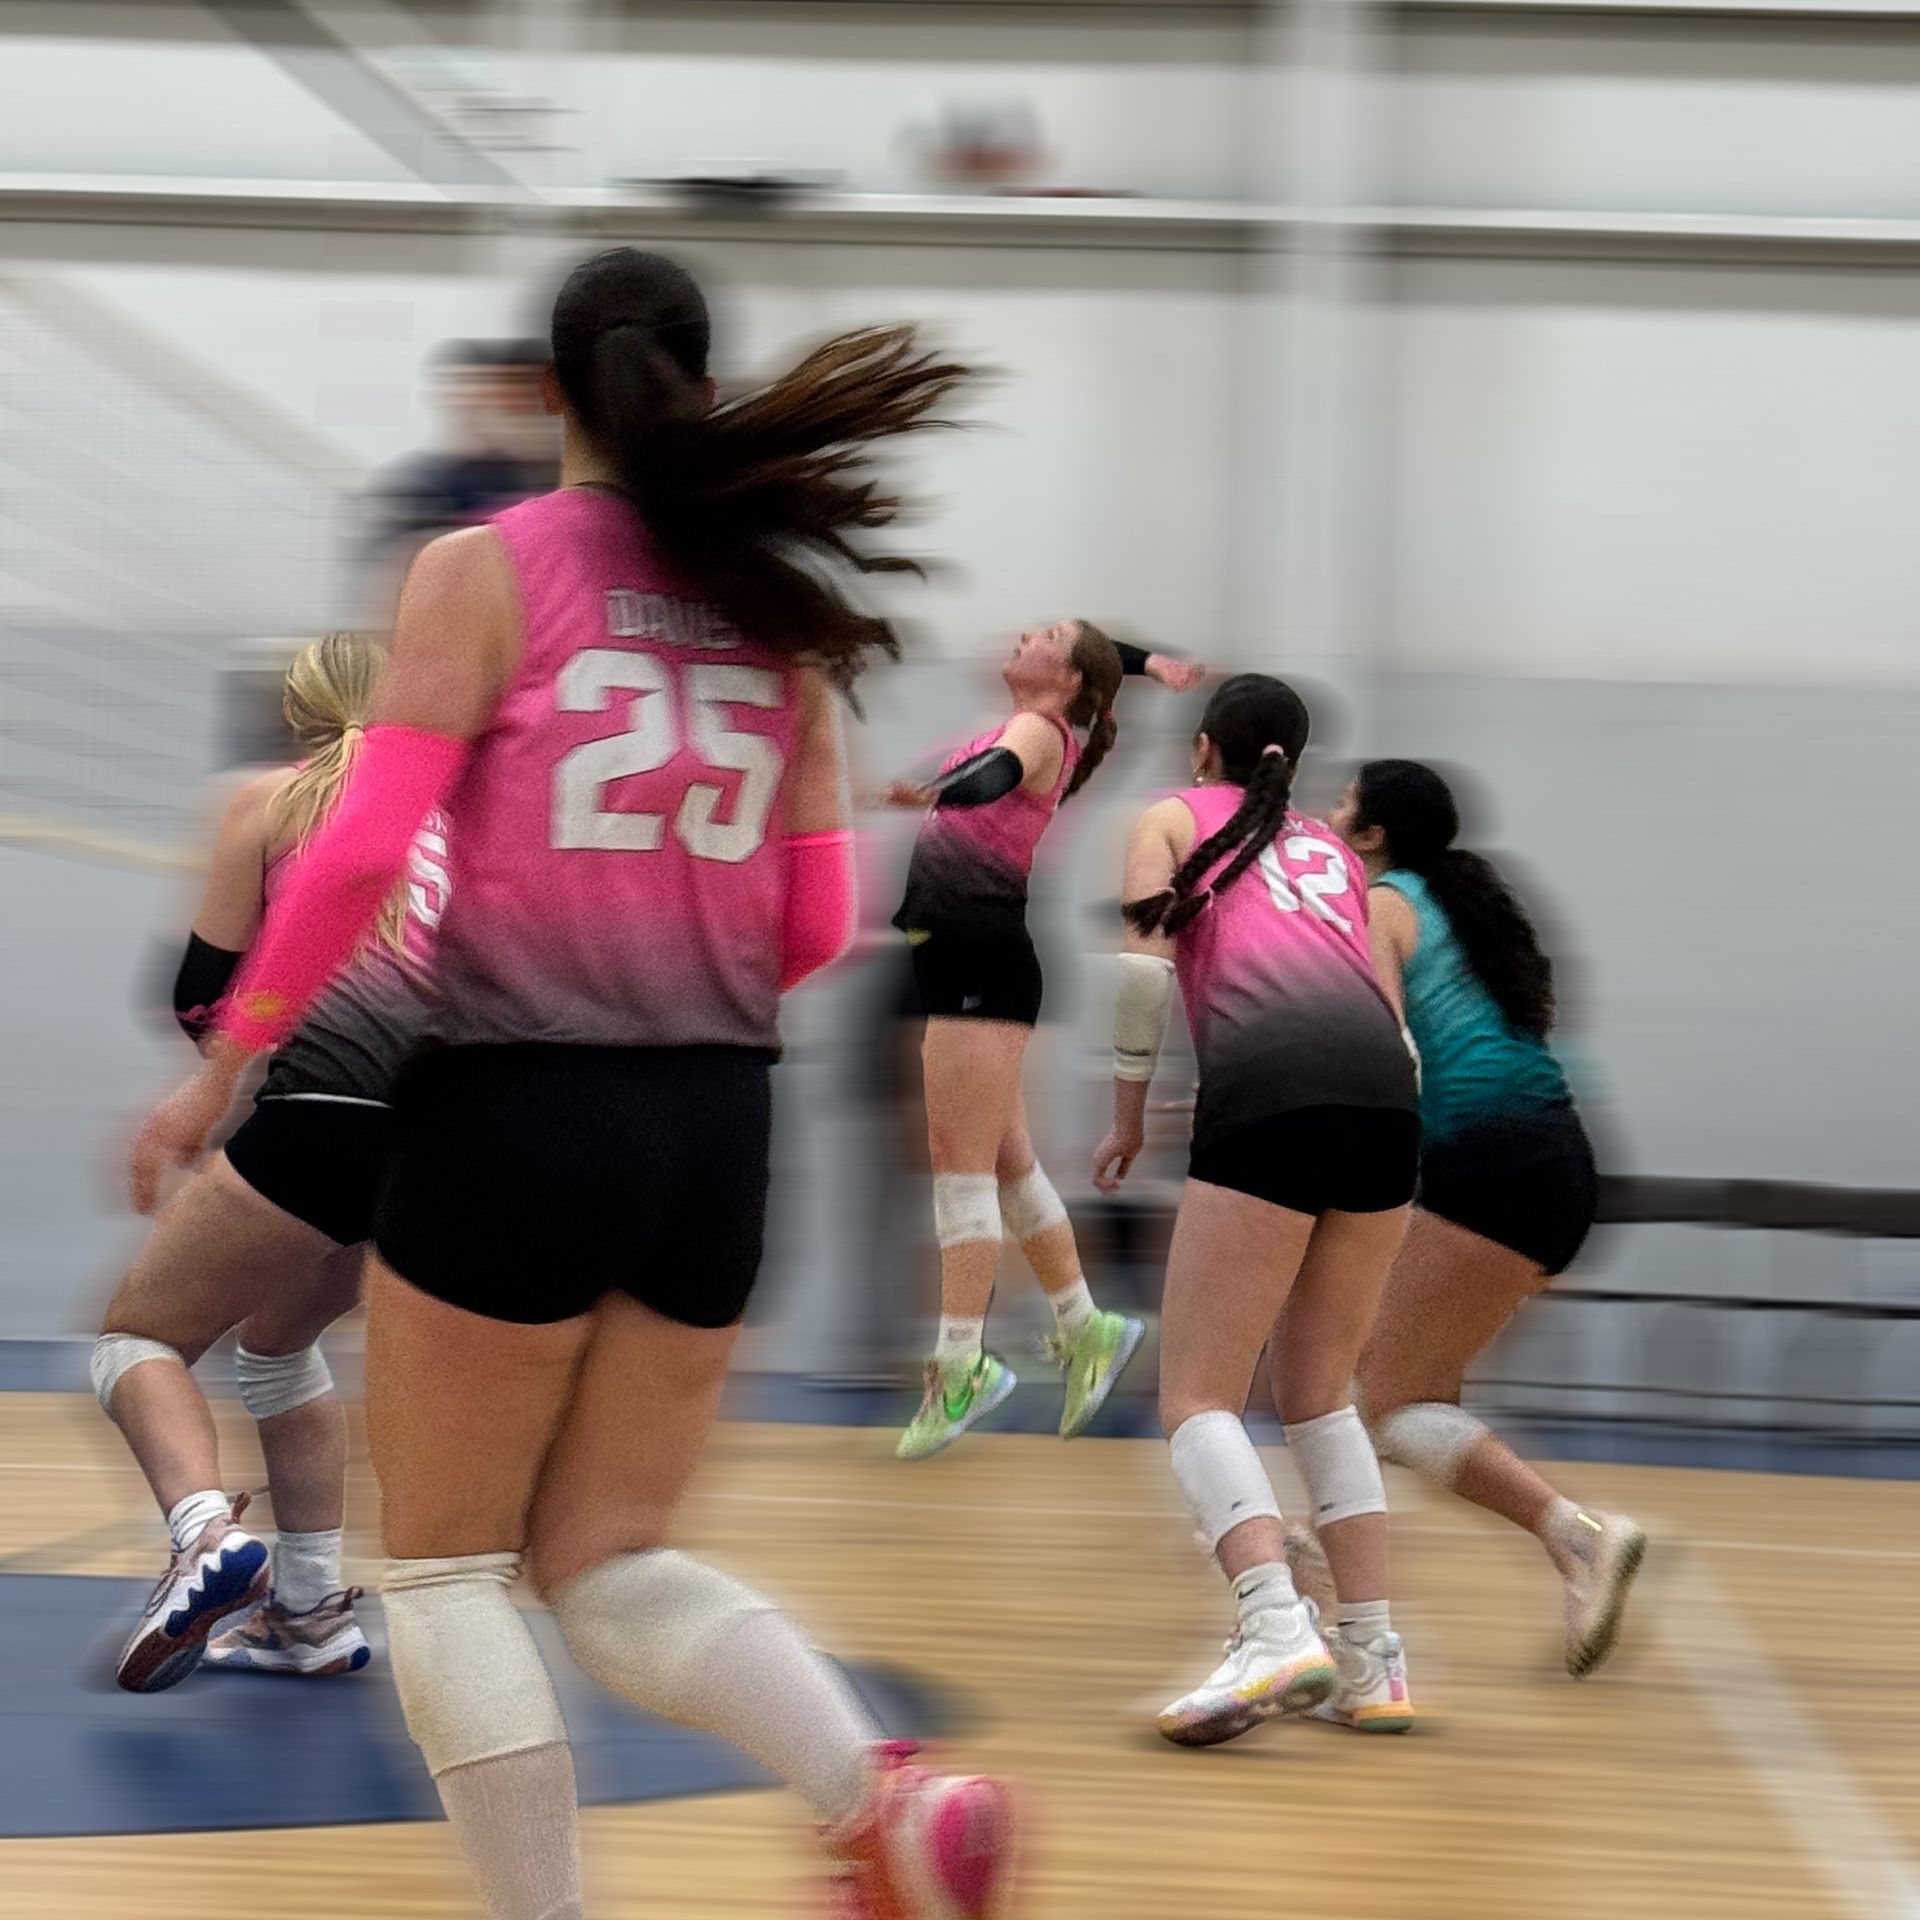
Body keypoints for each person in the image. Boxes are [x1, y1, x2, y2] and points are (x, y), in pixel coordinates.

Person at [129, 247, 1012, 1920]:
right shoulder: (781, 609)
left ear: (547, 392)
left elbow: (366, 848)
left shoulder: (485, 566)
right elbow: (818, 919)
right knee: (606, 1561)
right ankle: (881, 1796)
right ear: (700, 383)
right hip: (719, 1129)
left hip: (520, 1105)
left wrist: (224, 1067)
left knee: (452, 1568)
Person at [97, 632, 448, 1692]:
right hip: (439, 1134)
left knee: (137, 1342)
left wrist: (214, 1076)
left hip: (324, 1110)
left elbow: (202, 995)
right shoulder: (454, 820)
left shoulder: (265, 802)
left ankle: (206, 1537)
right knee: (278, 1345)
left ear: (295, 716)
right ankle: (309, 1616)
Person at [1094, 673, 1421, 1746]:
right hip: (1386, 1107)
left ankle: (1275, 1624)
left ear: (1202, 751)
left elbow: (1141, 981)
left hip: (1275, 1099)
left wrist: (1126, 1115)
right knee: (1321, 1393)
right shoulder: (1334, 854)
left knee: (1196, 1396)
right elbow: (1381, 1009)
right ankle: (1374, 1657)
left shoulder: (1173, 817)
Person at [1316, 758, 1644, 1678]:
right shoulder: (1456, 901)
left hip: (1495, 1173)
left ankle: (1577, 1535)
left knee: (1385, 1402)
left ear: (1373, 834)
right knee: (1407, 1397)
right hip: (1547, 1170)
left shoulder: (1383, 904)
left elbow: (1384, 1048)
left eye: (1343, 802)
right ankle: (1329, 1567)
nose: (1329, 812)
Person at [882, 621, 1158, 1461]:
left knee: (957, 1168)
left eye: (1045, 636)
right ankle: (1088, 1326)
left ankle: (960, 1366)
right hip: (968, 963)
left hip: (980, 964)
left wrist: (936, 790)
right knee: (1004, 1164)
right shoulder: (1043, 722)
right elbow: (995, 763)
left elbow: (990, 777)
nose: (1022, 635)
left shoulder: (1038, 730)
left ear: (1069, 679)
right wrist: (1152, 664)